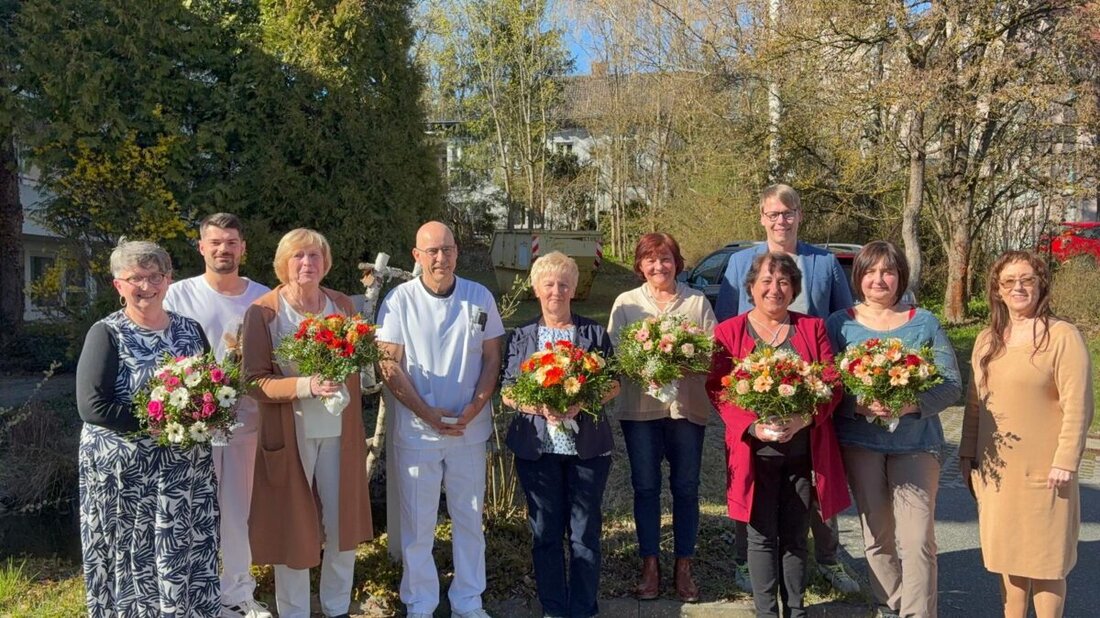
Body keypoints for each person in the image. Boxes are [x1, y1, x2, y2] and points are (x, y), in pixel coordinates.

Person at [714, 184, 857, 594]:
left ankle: (828, 559)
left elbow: (840, 326)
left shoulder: (824, 263)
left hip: (811, 401)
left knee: (818, 484)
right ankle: (748, 562)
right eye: (773, 213)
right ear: (762, 216)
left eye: (788, 213)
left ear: (799, 215)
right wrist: (748, 408)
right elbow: (726, 335)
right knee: (749, 485)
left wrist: (816, 402)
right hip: (752, 399)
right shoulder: (739, 261)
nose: (781, 220)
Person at [76, 239, 218, 616]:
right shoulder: (106, 334)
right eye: (135, 278)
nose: (147, 286)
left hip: (184, 478)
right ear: (118, 285)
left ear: (168, 280)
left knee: (184, 555)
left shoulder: (190, 330)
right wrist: (165, 420)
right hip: (127, 481)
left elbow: (212, 388)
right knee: (133, 561)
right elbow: (92, 407)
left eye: (155, 276)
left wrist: (211, 411)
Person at [240, 228, 373, 618]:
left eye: (315, 256)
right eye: (298, 256)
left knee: (341, 525)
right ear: (284, 263)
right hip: (290, 434)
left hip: (339, 434)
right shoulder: (264, 312)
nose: (307, 264)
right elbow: (253, 381)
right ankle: (294, 611)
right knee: (292, 527)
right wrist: (305, 385)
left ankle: (336, 608)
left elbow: (356, 363)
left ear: (325, 263)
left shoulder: (342, 305)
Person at [825, 241, 961, 618]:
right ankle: (894, 604)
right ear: (859, 277)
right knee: (878, 538)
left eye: (888, 271)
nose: (879, 279)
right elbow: (828, 386)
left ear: (900, 276)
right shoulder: (840, 324)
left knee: (917, 539)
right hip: (860, 443)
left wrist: (911, 403)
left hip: (916, 444)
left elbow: (951, 383)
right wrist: (858, 404)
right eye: (870, 271)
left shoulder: (924, 321)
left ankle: (919, 614)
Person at [376, 221, 504, 618]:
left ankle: (468, 599)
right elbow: (389, 364)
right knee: (417, 525)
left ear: (457, 252)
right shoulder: (399, 301)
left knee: (468, 518)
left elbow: (492, 358)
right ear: (416, 256)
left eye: (446, 249)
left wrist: (476, 406)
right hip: (418, 431)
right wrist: (427, 413)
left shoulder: (478, 296)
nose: (440, 258)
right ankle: (420, 602)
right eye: (431, 251)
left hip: (468, 428)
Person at [960, 251, 1094, 618]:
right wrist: (966, 455)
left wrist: (1066, 462)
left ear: (1041, 285)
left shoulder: (1062, 336)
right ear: (997, 290)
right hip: (998, 477)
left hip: (1047, 475)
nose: (1018, 287)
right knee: (1008, 560)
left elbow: (1078, 406)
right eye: (1009, 281)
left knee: (1046, 563)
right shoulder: (987, 340)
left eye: (1027, 280)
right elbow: (975, 404)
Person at [164, 213, 273, 618]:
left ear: (243, 247)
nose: (223, 249)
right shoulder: (177, 295)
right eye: (215, 242)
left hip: (247, 422)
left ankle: (238, 595)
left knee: (238, 511)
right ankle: (194, 594)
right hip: (192, 426)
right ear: (201, 247)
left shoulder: (263, 297)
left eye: (231, 242)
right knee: (190, 512)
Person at [502, 251, 621, 618]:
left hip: (586, 450)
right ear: (537, 289)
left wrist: (580, 401)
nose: (557, 291)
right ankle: (554, 607)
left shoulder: (593, 333)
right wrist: (541, 408)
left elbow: (614, 383)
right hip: (538, 450)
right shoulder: (521, 336)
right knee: (546, 533)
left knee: (584, 534)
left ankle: (583, 608)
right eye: (549, 284)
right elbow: (507, 390)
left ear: (574, 290)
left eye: (564, 284)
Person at [607, 233, 717, 602]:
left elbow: (712, 355)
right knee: (646, 487)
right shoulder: (626, 304)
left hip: (686, 409)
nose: (659, 266)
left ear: (677, 262)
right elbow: (616, 356)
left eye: (666, 258)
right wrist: (644, 363)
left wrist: (682, 360)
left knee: (686, 488)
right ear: (640, 264)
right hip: (641, 411)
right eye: (651, 260)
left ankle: (683, 566)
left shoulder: (696, 302)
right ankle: (650, 564)